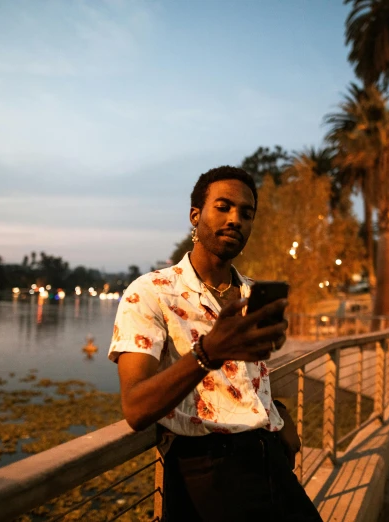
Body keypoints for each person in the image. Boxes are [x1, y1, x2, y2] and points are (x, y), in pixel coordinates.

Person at [108, 166, 323, 521]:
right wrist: (208, 353)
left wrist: (279, 414)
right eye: (223, 207)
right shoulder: (150, 293)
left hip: (269, 458)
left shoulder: (251, 295)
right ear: (196, 216)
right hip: (207, 473)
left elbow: (242, 384)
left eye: (246, 213)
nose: (236, 219)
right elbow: (135, 407)